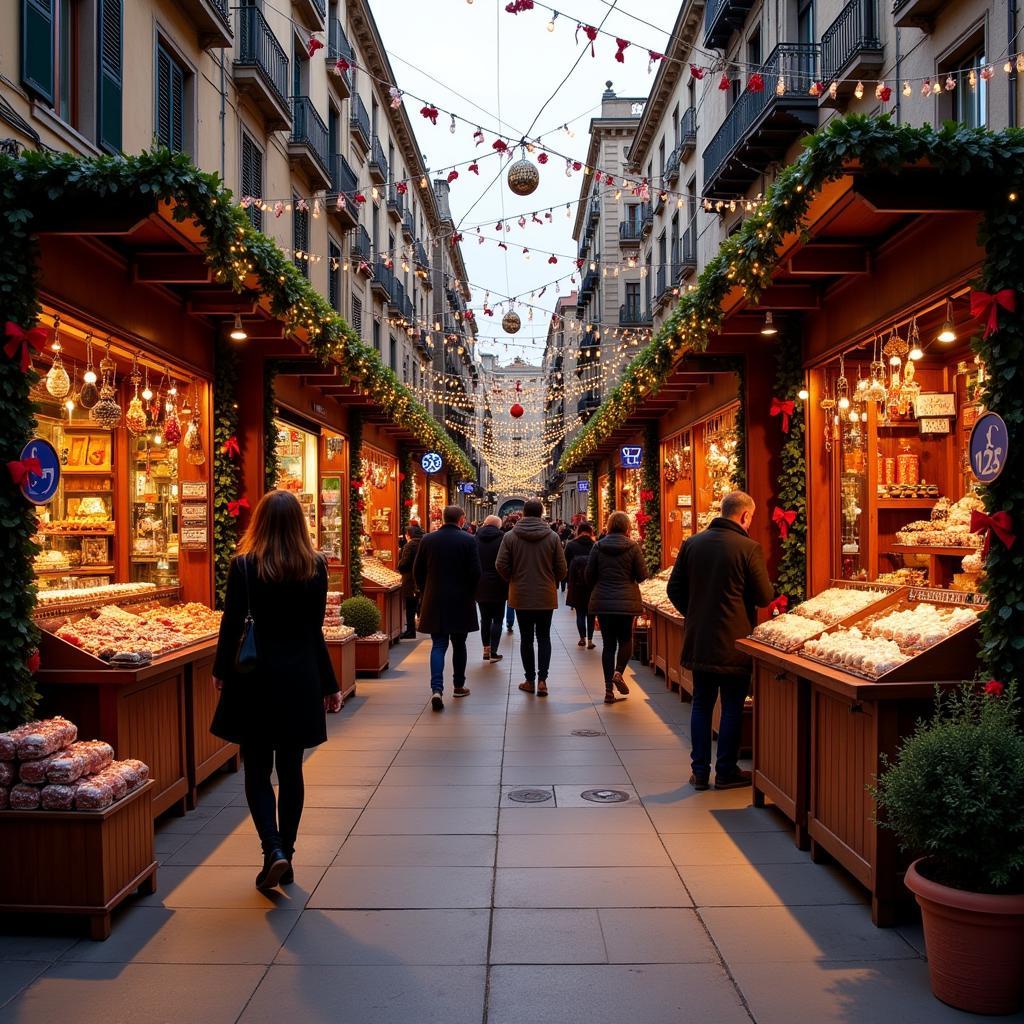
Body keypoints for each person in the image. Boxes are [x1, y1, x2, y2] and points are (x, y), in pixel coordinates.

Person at [211, 490, 341, 890]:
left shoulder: (244, 566)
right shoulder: (315, 567)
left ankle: (272, 849)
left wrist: (221, 672)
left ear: (260, 523)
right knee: (291, 768)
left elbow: (231, 625)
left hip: (254, 677)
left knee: (256, 767)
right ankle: (288, 849)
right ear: (300, 524)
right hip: (299, 678)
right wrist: (329, 683)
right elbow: (314, 631)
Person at [667, 490, 774, 791]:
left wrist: (695, 613)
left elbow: (674, 589)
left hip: (700, 638)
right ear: (743, 516)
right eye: (750, 518)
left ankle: (700, 771)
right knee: (731, 706)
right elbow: (764, 596)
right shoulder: (748, 548)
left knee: (701, 704)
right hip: (734, 641)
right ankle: (726, 770)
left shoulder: (692, 544)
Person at [496, 498, 567, 697]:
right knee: (544, 637)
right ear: (542, 513)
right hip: (545, 594)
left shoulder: (510, 536)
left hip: (521, 594)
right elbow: (562, 568)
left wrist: (513, 579)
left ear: (524, 513)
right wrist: (551, 581)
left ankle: (529, 680)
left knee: (526, 639)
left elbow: (500, 564)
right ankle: (543, 680)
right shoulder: (552, 537)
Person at [414, 504, 481, 711]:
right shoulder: (469, 540)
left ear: (443, 518)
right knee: (459, 644)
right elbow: (476, 572)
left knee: (438, 644)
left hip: (435, 600)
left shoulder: (428, 539)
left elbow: (418, 570)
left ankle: (436, 689)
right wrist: (470, 591)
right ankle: (458, 685)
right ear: (461, 519)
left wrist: (426, 590)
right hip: (460, 599)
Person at [586, 512, 648, 704]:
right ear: (627, 526)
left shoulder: (598, 546)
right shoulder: (633, 547)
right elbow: (642, 575)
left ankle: (608, 691)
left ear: (610, 526)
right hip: (626, 601)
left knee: (608, 645)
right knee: (626, 639)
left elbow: (589, 575)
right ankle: (619, 672)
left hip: (604, 601)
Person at [476, 514, 508, 662]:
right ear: (498, 526)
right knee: (498, 619)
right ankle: (494, 652)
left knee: (485, 619)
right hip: (499, 583)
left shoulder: (475, 538)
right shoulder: (503, 539)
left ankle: (485, 649)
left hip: (480, 583)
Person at [564, 521, 597, 647]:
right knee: (591, 614)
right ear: (590, 532)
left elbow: (565, 562)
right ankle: (590, 640)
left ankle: (582, 638)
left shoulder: (571, 545)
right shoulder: (595, 545)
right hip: (592, 584)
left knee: (580, 613)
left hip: (576, 584)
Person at [397, 523, 423, 639]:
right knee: (418, 603)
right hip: (421, 579)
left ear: (409, 535)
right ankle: (419, 625)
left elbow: (404, 563)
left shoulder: (409, 546)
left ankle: (410, 630)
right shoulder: (423, 543)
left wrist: (399, 565)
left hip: (410, 579)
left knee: (410, 605)